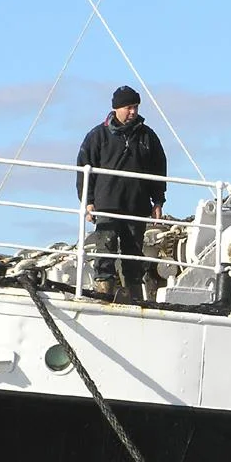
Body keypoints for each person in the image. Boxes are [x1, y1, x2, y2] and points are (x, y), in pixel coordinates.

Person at [76, 85, 167, 301]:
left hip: (136, 205)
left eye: (135, 107)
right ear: (117, 108)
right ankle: (103, 293)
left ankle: (134, 297)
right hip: (107, 204)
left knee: (134, 255)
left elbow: (158, 168)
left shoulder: (147, 136)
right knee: (105, 251)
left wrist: (158, 201)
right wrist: (87, 201)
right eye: (129, 107)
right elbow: (84, 168)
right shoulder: (97, 136)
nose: (133, 112)